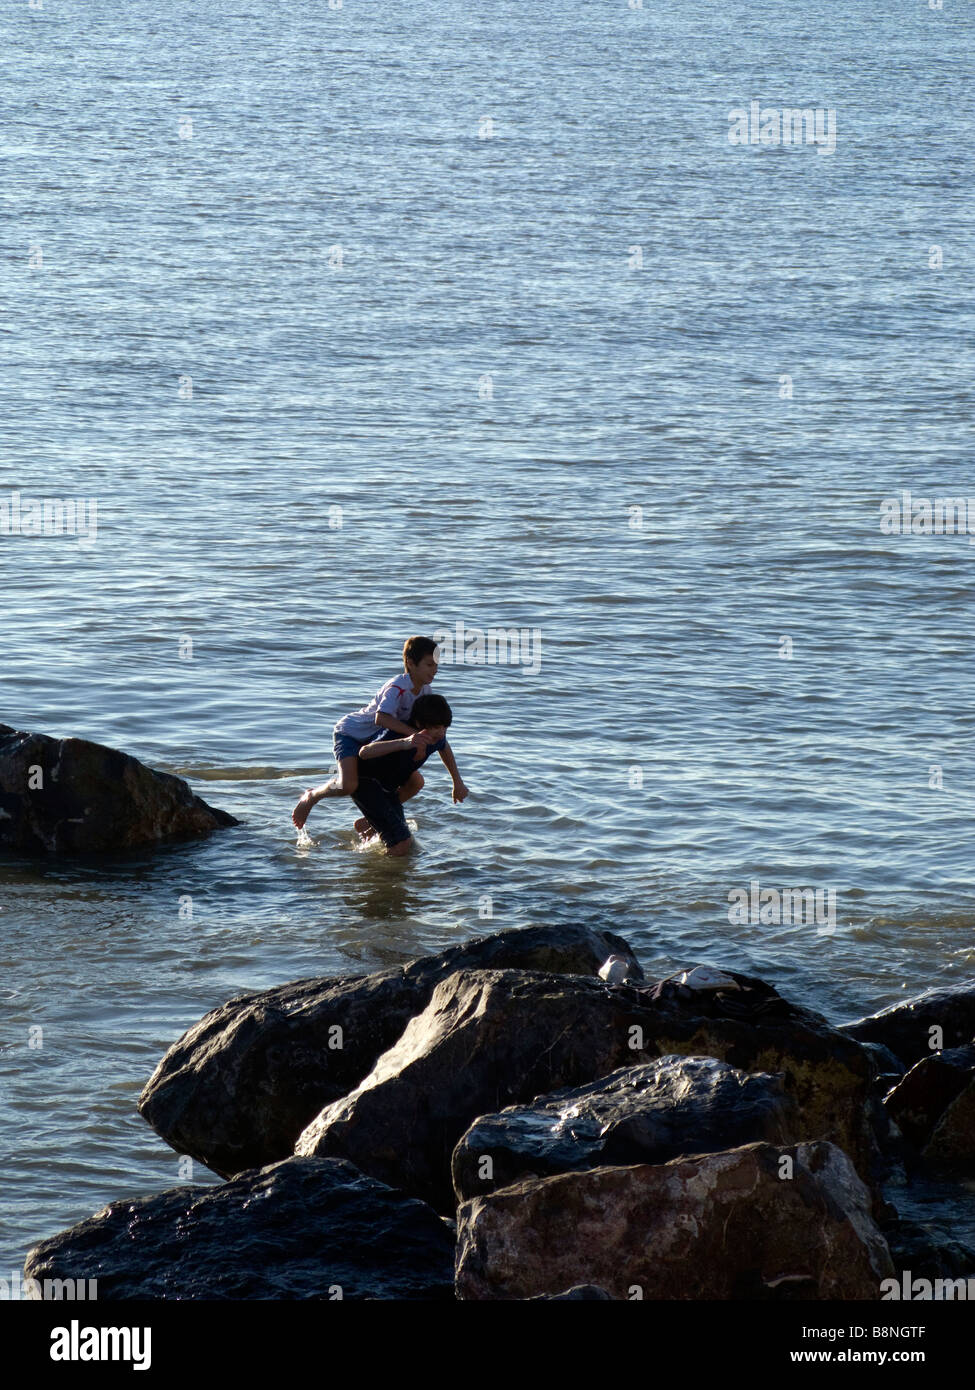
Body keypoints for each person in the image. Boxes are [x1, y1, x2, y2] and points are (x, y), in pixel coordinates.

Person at [292, 636, 464, 828]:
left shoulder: (425, 691)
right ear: (411, 663)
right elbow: (381, 718)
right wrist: (412, 737)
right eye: (429, 664)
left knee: (416, 782)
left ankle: (370, 821)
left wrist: (456, 782)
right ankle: (312, 796)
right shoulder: (397, 687)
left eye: (436, 665)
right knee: (348, 784)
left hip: (376, 742)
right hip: (351, 734)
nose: (435, 670)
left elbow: (436, 734)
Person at [351, 694, 459, 856]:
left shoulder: (436, 737)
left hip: (388, 788)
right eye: (437, 727)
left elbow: (444, 748)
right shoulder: (400, 734)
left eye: (445, 727)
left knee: (406, 841)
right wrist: (404, 743)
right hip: (366, 783)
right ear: (418, 724)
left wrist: (457, 783)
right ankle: (379, 878)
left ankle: (367, 826)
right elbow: (364, 752)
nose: (441, 732)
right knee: (402, 843)